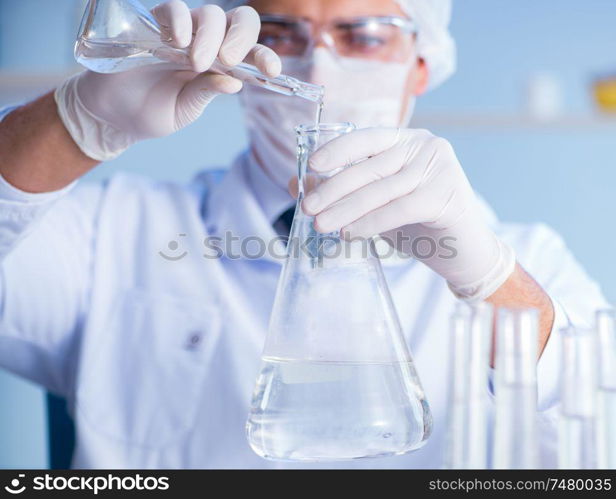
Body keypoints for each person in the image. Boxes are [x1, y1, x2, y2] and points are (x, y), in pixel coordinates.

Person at [0, 0, 607, 469]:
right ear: (238, 57)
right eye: (281, 33)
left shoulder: (531, 256)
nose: (317, 64)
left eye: (363, 34)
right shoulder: (118, 231)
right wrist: (74, 124)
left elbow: (598, 448)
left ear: (420, 68)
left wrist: (492, 279)